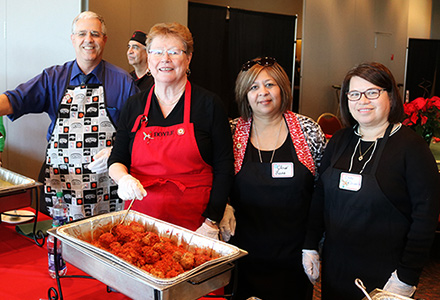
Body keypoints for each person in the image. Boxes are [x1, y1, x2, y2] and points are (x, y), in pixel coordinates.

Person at [303, 62, 440, 299]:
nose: (362, 101)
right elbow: (320, 197)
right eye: (354, 94)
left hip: (387, 275)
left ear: (390, 96)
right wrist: (309, 245)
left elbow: (425, 217)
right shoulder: (339, 141)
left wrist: (406, 277)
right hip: (337, 268)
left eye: (372, 92)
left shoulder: (411, 147)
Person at [0, 11, 138, 220]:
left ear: (105, 39)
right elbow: (14, 100)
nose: (88, 40)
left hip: (104, 186)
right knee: (56, 242)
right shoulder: (53, 77)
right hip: (60, 183)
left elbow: (140, 132)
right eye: (82, 34)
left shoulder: (123, 82)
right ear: (72, 39)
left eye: (95, 34)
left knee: (102, 240)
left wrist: (115, 150)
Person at [108, 22, 234, 238]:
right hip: (139, 223)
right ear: (148, 58)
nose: (165, 59)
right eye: (157, 52)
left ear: (188, 58)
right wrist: (123, 179)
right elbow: (117, 159)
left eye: (174, 52)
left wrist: (211, 222)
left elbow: (224, 169)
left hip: (196, 226)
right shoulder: (134, 106)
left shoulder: (209, 105)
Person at [222, 57, 326, 300]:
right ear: (244, 94)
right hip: (243, 256)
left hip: (295, 256)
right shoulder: (231, 131)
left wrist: (314, 245)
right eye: (254, 87)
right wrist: (224, 204)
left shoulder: (308, 130)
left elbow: (323, 190)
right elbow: (217, 180)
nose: (263, 93)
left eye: (270, 85)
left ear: (282, 88)